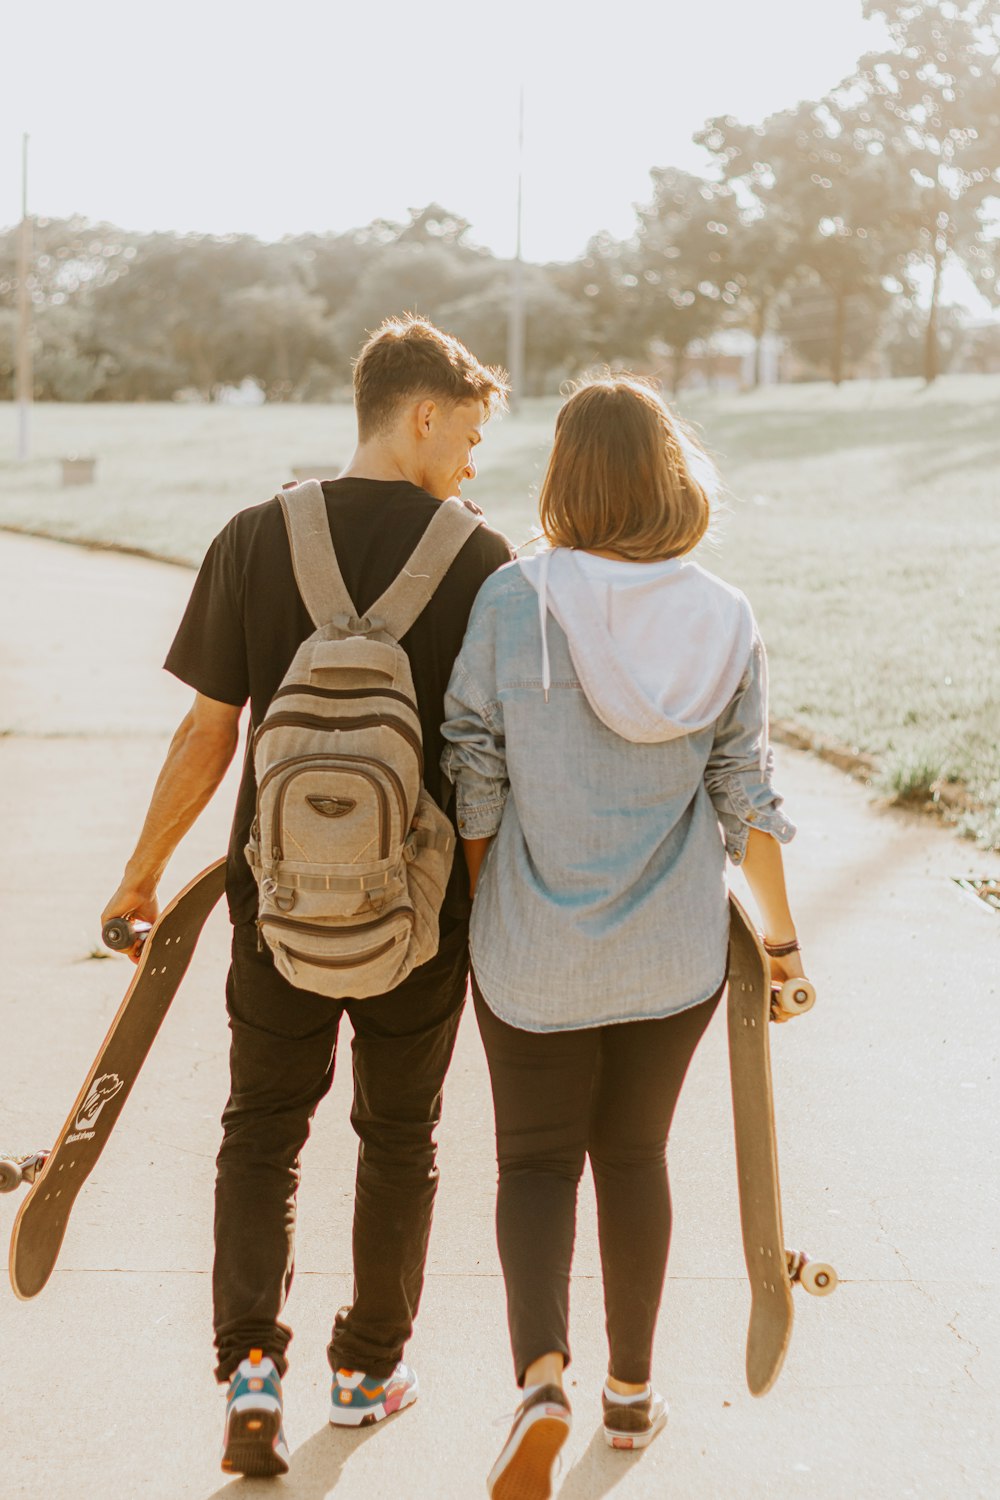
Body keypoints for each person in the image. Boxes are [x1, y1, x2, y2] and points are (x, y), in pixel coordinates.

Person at [101, 315, 511, 1478]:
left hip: (272, 915)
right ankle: (368, 1368)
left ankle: (250, 1371)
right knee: (398, 1139)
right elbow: (495, 764)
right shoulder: (482, 563)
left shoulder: (251, 536)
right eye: (469, 434)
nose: (472, 462)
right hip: (420, 923)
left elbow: (207, 733)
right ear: (421, 414)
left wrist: (140, 872)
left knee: (261, 1133)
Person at [441, 375, 803, 1500]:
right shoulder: (724, 614)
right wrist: (781, 948)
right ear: (669, 472)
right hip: (673, 955)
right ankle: (633, 1393)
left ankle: (541, 1379)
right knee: (635, 1157)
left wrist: (503, 899)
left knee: (534, 1160)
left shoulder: (513, 601)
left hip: (530, 951)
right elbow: (746, 798)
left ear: (566, 475)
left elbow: (474, 775)